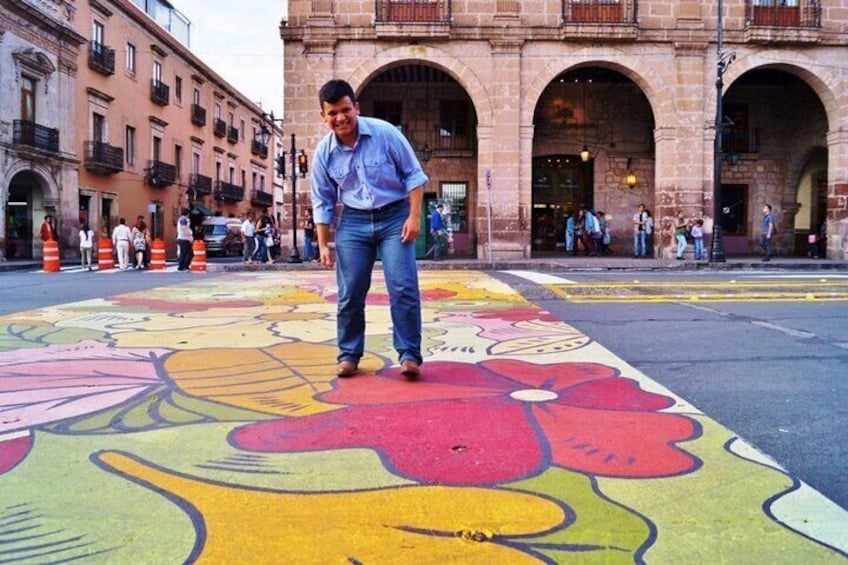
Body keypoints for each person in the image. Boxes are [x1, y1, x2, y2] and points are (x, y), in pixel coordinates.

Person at [311, 78, 427, 380]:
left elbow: (414, 176)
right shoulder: (324, 153)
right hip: (353, 221)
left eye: (345, 110)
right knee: (350, 292)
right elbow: (323, 200)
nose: (340, 118)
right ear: (323, 116)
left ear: (356, 108)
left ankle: (409, 354)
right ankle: (349, 354)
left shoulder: (385, 134)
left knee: (403, 287)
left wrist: (413, 218)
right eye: (332, 113)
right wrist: (324, 245)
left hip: (394, 217)